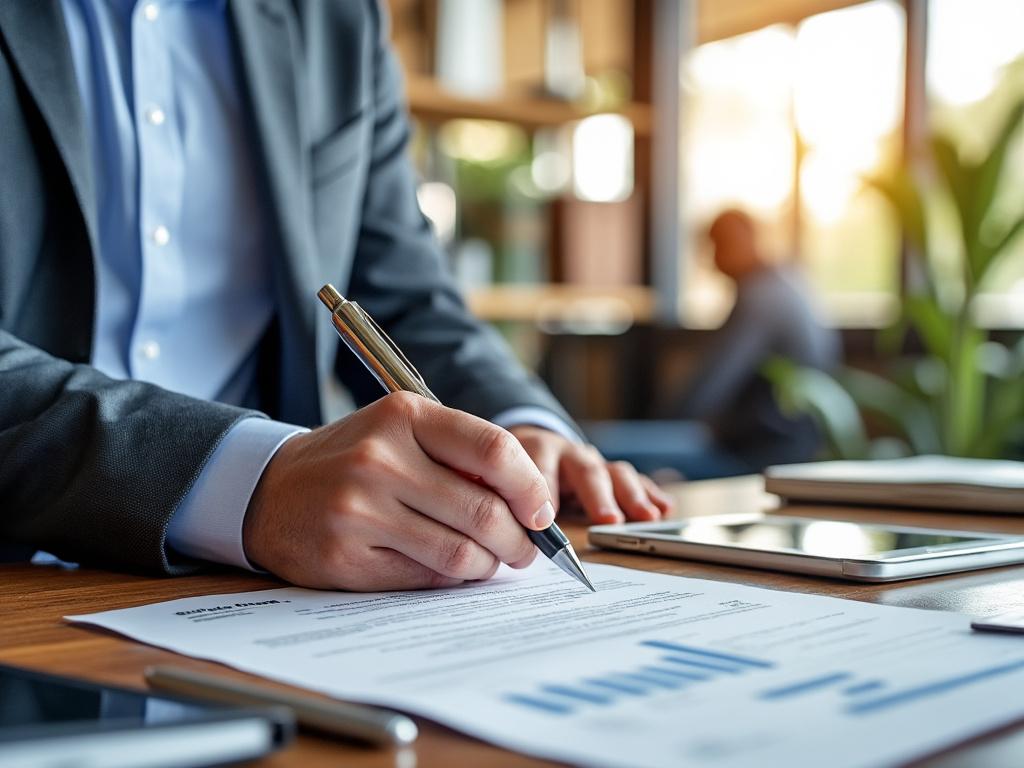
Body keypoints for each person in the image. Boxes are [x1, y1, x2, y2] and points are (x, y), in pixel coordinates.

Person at [0, 0, 671, 590]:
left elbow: (404, 294)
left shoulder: (337, 18)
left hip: (268, 595)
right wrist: (250, 481)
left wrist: (518, 428)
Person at [672, 209, 840, 473]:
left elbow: (711, 383)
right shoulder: (788, 280)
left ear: (745, 240)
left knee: (622, 454)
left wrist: (662, 421)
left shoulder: (761, 297)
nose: (714, 259)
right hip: (794, 445)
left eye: (719, 245)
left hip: (766, 453)